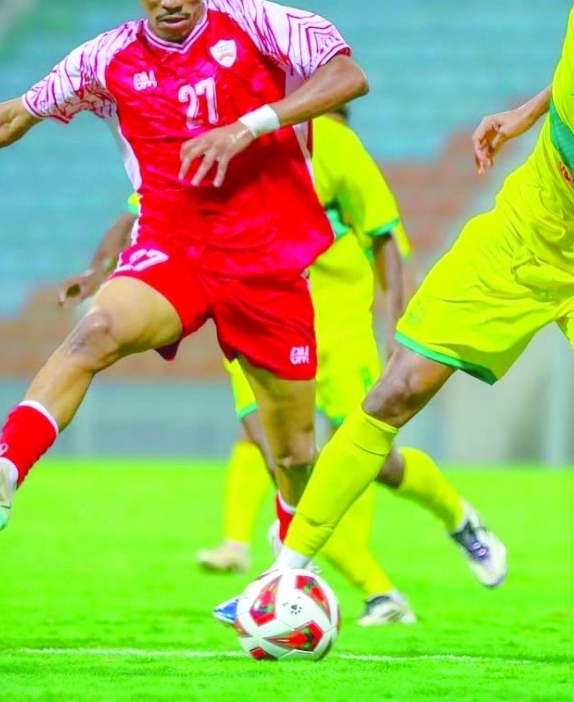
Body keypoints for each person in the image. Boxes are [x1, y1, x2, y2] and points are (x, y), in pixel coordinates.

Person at [229, 0, 574, 663]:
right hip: (515, 243)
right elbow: (571, 79)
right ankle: (287, 568)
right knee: (395, 390)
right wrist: (524, 114)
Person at [0, 0, 369, 537]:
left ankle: (291, 567)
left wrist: (247, 126)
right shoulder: (107, 59)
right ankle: (4, 470)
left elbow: (348, 75)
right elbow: (13, 118)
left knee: (293, 453)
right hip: (174, 249)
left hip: (267, 259)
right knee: (95, 331)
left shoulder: (257, 23)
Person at [60, 109, 506, 628]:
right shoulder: (214, 135)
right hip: (251, 316)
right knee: (279, 460)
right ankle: (362, 591)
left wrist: (397, 325)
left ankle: (459, 521)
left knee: (374, 462)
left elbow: (383, 234)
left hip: (336, 324)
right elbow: (141, 211)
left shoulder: (330, 140)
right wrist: (98, 269)